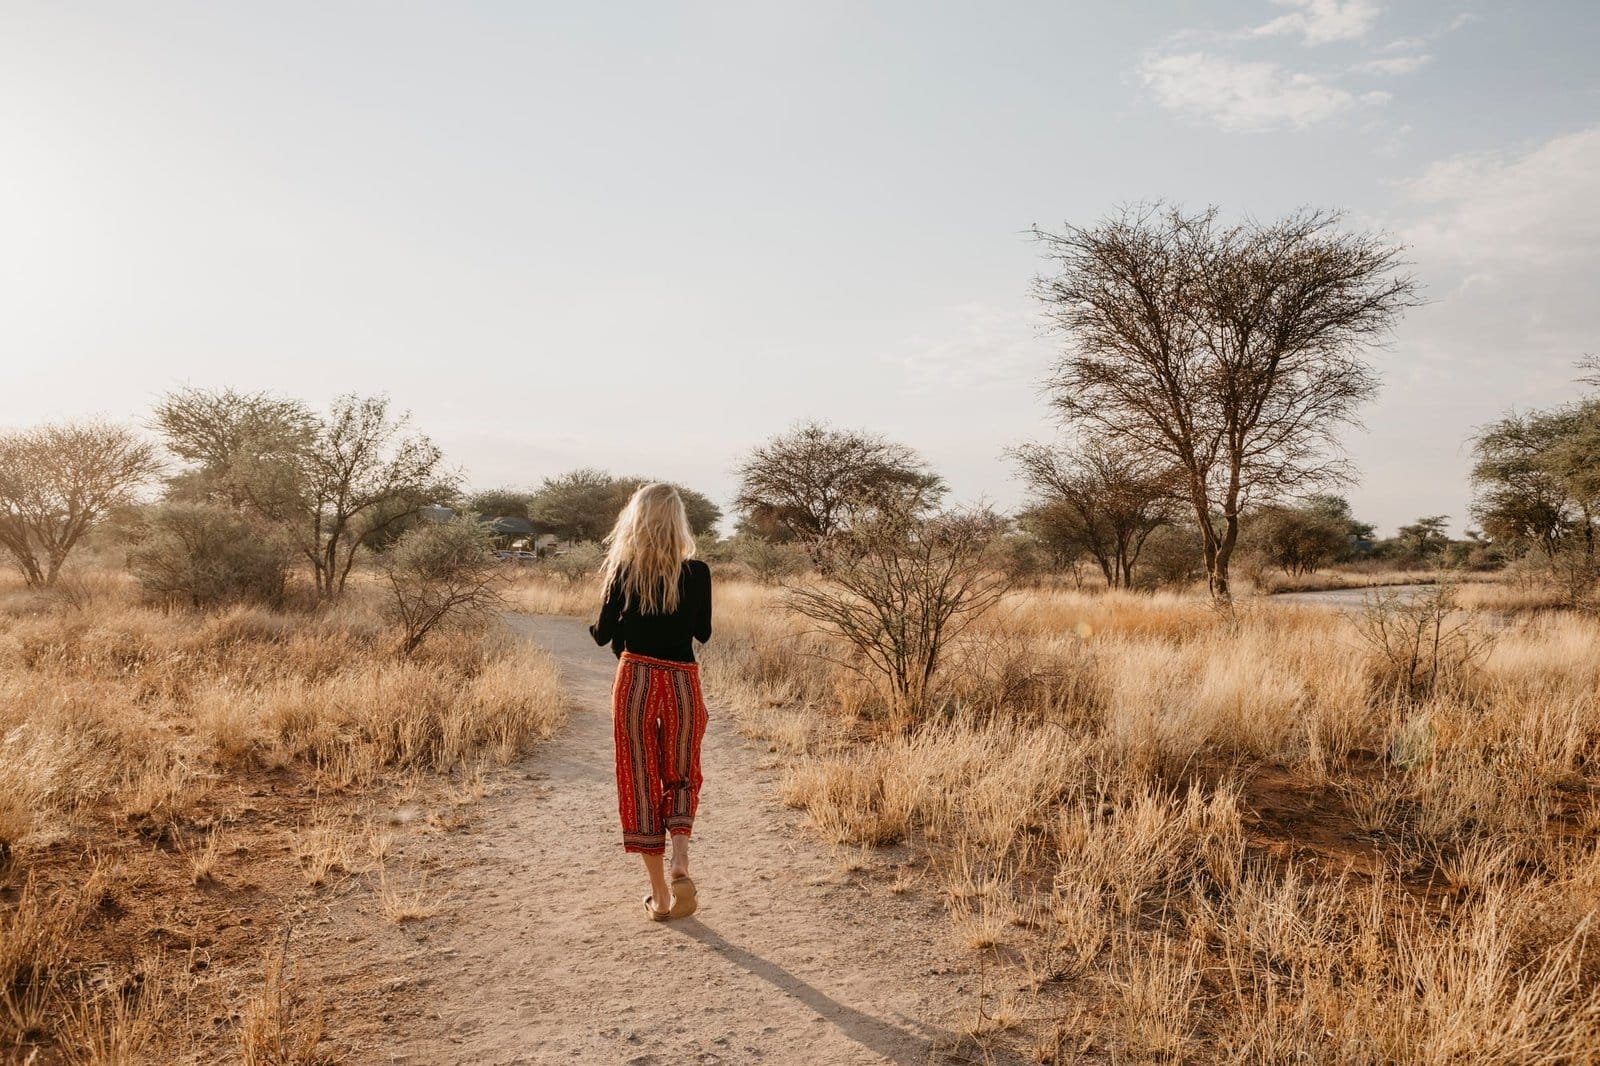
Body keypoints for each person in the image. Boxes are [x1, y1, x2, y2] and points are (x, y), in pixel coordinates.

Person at [589, 483, 712, 921]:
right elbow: (703, 633)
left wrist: (622, 625)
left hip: (636, 679)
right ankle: (681, 856)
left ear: (634, 519)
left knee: (638, 779)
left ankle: (661, 897)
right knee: (681, 774)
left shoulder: (623, 570)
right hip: (682, 681)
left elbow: (603, 635)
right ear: (679, 521)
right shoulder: (698, 572)